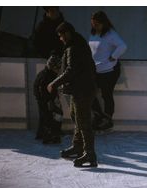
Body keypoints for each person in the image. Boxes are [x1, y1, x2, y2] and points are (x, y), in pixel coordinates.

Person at [49, 22, 98, 168]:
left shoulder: (74, 47)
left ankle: (90, 155)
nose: (61, 38)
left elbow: (71, 70)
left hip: (82, 90)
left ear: (68, 33)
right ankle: (78, 147)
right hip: (81, 89)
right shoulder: (78, 43)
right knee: (77, 118)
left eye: (62, 35)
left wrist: (54, 83)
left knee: (83, 121)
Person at [89, 10, 127, 132]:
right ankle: (99, 116)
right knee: (90, 93)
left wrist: (113, 56)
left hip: (109, 70)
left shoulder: (110, 34)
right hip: (96, 69)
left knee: (106, 94)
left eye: (97, 24)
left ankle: (108, 120)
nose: (94, 26)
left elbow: (123, 46)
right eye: (93, 24)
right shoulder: (94, 34)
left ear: (103, 23)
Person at [33, 54, 63, 144]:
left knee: (44, 117)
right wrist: (49, 101)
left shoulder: (45, 73)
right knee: (51, 117)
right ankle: (49, 136)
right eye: (57, 67)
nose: (58, 69)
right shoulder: (47, 76)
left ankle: (41, 134)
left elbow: (37, 88)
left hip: (44, 100)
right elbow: (42, 89)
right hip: (46, 100)